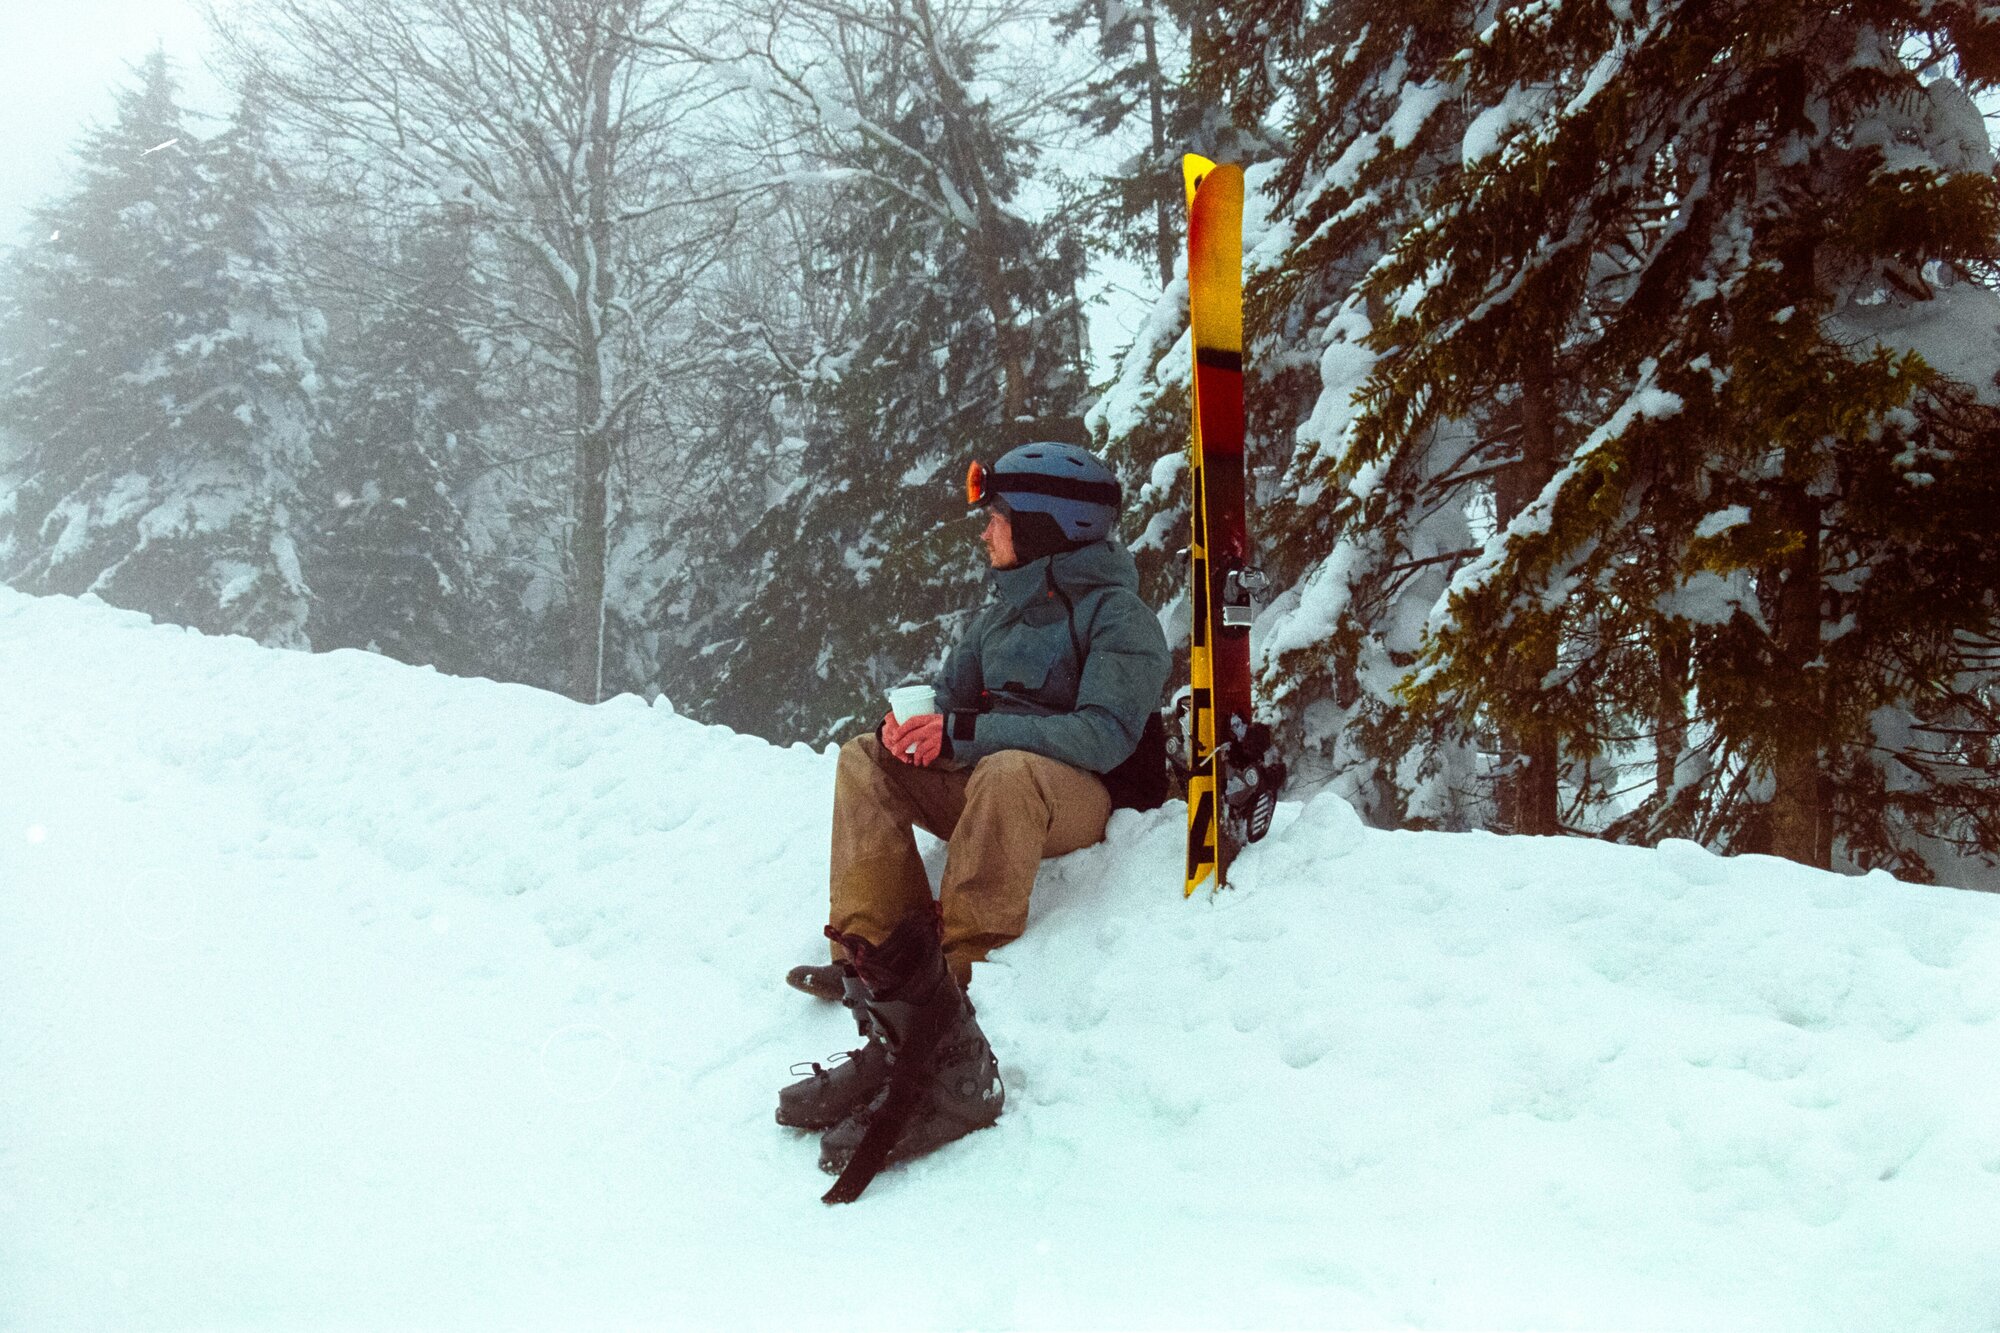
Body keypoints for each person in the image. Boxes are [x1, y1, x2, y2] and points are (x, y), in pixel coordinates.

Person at [779, 434, 1172, 1199]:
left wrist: (968, 734)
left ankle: (950, 986)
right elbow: (955, 702)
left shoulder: (1120, 617)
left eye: (996, 516)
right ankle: (881, 960)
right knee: (866, 756)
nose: (986, 530)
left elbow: (1103, 733)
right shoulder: (1001, 613)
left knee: (1004, 768)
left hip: (1078, 796)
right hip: (998, 780)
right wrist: (915, 731)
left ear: (1046, 525)